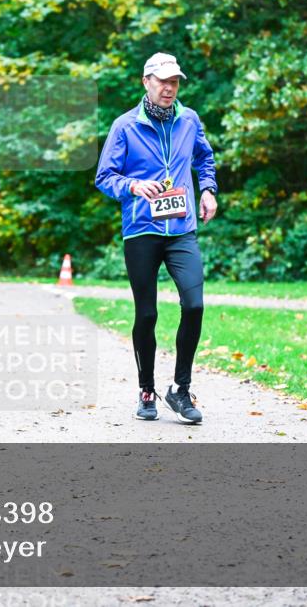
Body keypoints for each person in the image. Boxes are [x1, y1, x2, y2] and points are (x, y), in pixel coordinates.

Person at [95, 52, 219, 423]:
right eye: (162, 81)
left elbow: (204, 159)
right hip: (142, 230)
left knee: (194, 305)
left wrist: (208, 190)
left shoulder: (189, 119)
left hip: (181, 229)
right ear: (146, 81)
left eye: (175, 81)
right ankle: (146, 389)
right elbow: (105, 177)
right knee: (147, 314)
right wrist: (134, 185)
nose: (169, 88)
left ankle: (180, 390)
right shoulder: (125, 126)